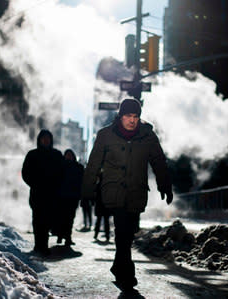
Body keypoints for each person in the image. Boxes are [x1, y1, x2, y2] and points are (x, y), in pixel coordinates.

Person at [82, 98, 173, 291]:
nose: (132, 120)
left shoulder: (148, 136)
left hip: (136, 192)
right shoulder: (106, 135)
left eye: (135, 116)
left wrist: (165, 184)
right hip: (114, 191)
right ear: (120, 116)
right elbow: (93, 164)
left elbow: (158, 161)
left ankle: (118, 266)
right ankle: (126, 274)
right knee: (122, 231)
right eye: (128, 116)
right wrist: (87, 190)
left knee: (128, 232)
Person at [22, 129, 63, 256]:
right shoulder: (32, 154)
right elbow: (25, 173)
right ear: (39, 140)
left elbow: (62, 173)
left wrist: (56, 186)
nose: (46, 140)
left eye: (48, 138)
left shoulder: (56, 155)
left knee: (47, 220)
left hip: (51, 194)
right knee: (37, 220)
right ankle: (38, 245)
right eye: (43, 138)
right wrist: (34, 184)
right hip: (37, 193)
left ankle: (43, 246)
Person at [57, 149, 84, 246]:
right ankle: (61, 235)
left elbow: (82, 182)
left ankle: (67, 237)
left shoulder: (78, 167)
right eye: (67, 155)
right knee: (62, 217)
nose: (69, 157)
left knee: (70, 218)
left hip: (73, 197)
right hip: (62, 196)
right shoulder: (60, 167)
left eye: (70, 155)